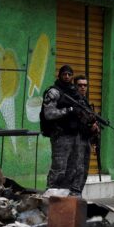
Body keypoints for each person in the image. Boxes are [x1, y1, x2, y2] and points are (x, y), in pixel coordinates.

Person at [40, 64, 83, 194]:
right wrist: (68, 110)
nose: (67, 76)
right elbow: (48, 114)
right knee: (58, 169)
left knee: (72, 169)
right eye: (64, 74)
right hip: (60, 135)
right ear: (59, 75)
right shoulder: (53, 92)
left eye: (69, 74)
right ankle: (49, 196)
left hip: (74, 135)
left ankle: (64, 198)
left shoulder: (74, 92)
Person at [66, 75, 99, 196]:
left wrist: (94, 127)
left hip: (86, 138)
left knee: (84, 169)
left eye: (85, 85)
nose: (83, 87)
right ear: (75, 86)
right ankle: (73, 194)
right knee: (77, 168)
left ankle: (78, 193)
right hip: (76, 139)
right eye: (80, 85)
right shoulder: (71, 100)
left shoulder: (85, 101)